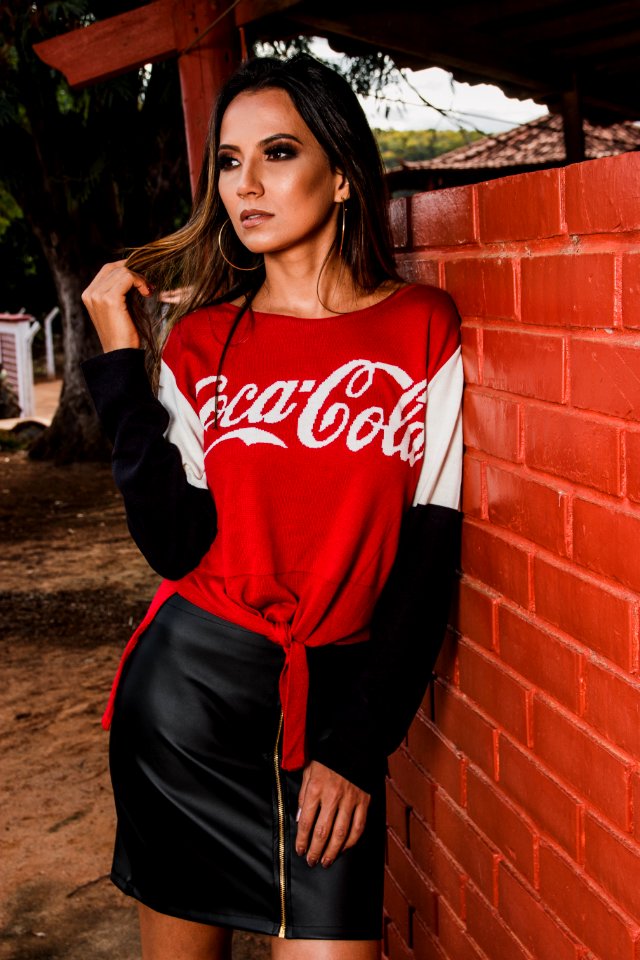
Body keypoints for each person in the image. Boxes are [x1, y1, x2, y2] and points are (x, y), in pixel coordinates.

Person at [81, 53, 463, 960]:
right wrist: (116, 365)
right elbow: (174, 546)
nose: (244, 185)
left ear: (339, 177)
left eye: (278, 153)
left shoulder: (421, 327)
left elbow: (428, 550)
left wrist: (359, 742)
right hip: (186, 704)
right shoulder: (207, 339)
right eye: (226, 161)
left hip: (329, 708)